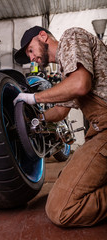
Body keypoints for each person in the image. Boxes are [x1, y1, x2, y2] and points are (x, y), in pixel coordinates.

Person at [14, 26, 107, 227]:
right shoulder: (68, 71)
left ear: (42, 36)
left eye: (30, 50)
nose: (32, 59)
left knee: (61, 208)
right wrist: (33, 120)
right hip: (99, 130)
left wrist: (33, 98)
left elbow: (81, 84)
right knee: (65, 178)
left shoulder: (70, 37)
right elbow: (60, 112)